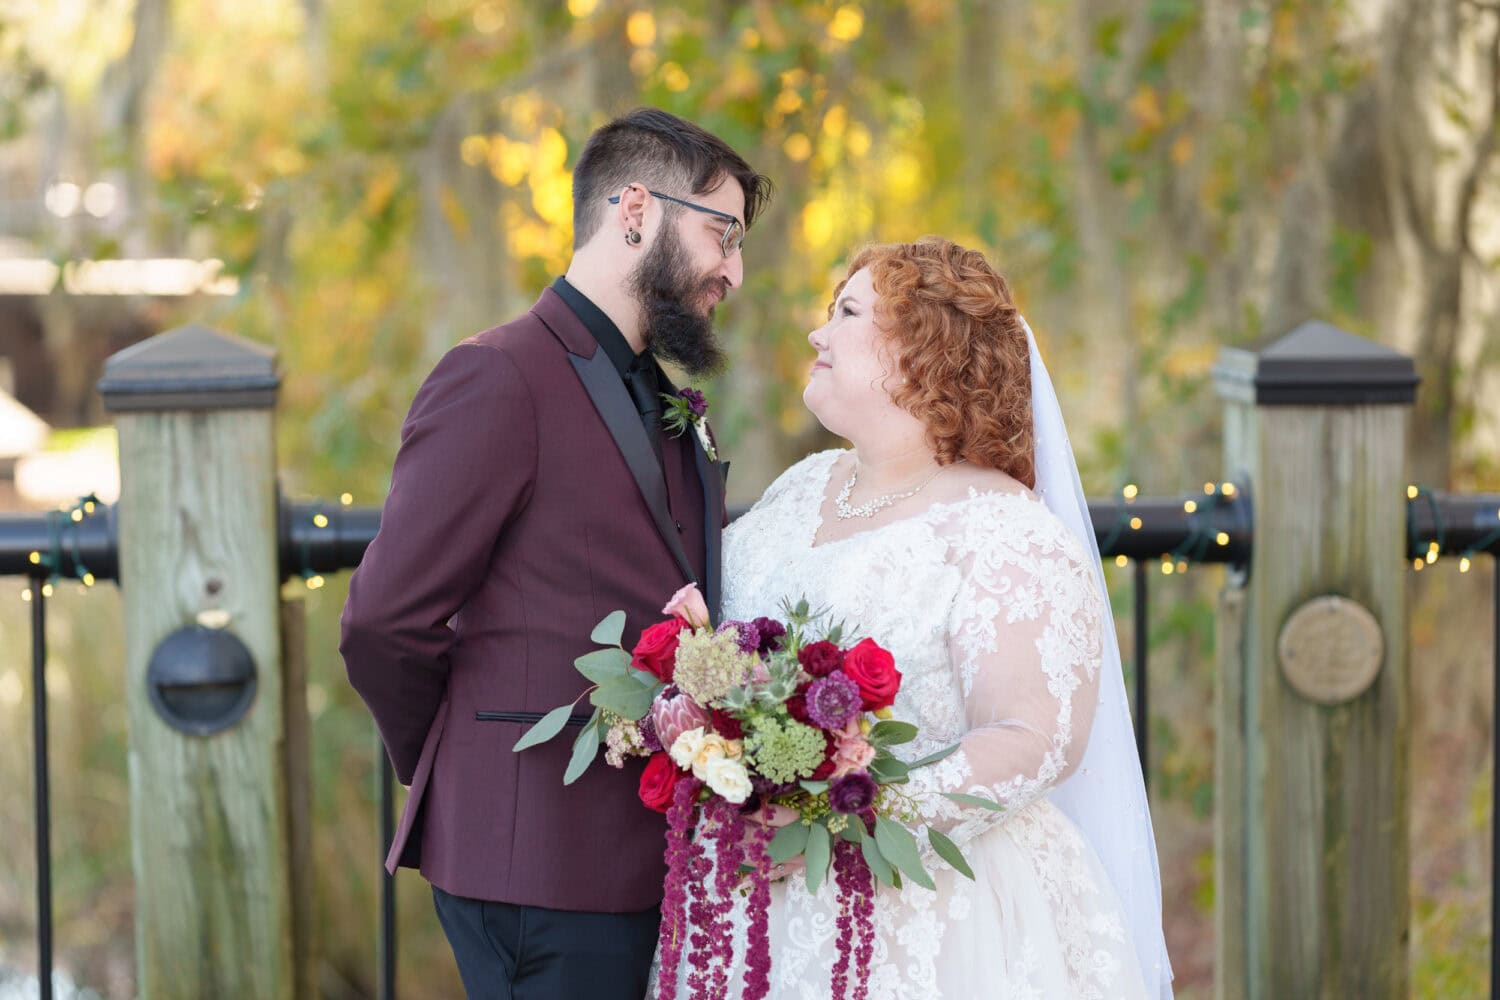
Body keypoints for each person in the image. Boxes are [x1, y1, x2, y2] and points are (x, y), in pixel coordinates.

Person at [653, 236, 1173, 998]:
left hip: (934, 922)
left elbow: (1035, 740)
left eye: (848, 312)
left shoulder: (1004, 528)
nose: (817, 334)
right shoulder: (803, 486)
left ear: (927, 350)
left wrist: (839, 816)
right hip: (751, 909)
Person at [340, 107, 771, 999]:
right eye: (721, 234)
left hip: (647, 859)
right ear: (637, 211)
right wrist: (465, 761)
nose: (734, 270)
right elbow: (384, 623)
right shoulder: (498, 376)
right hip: (534, 865)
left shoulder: (667, 398)